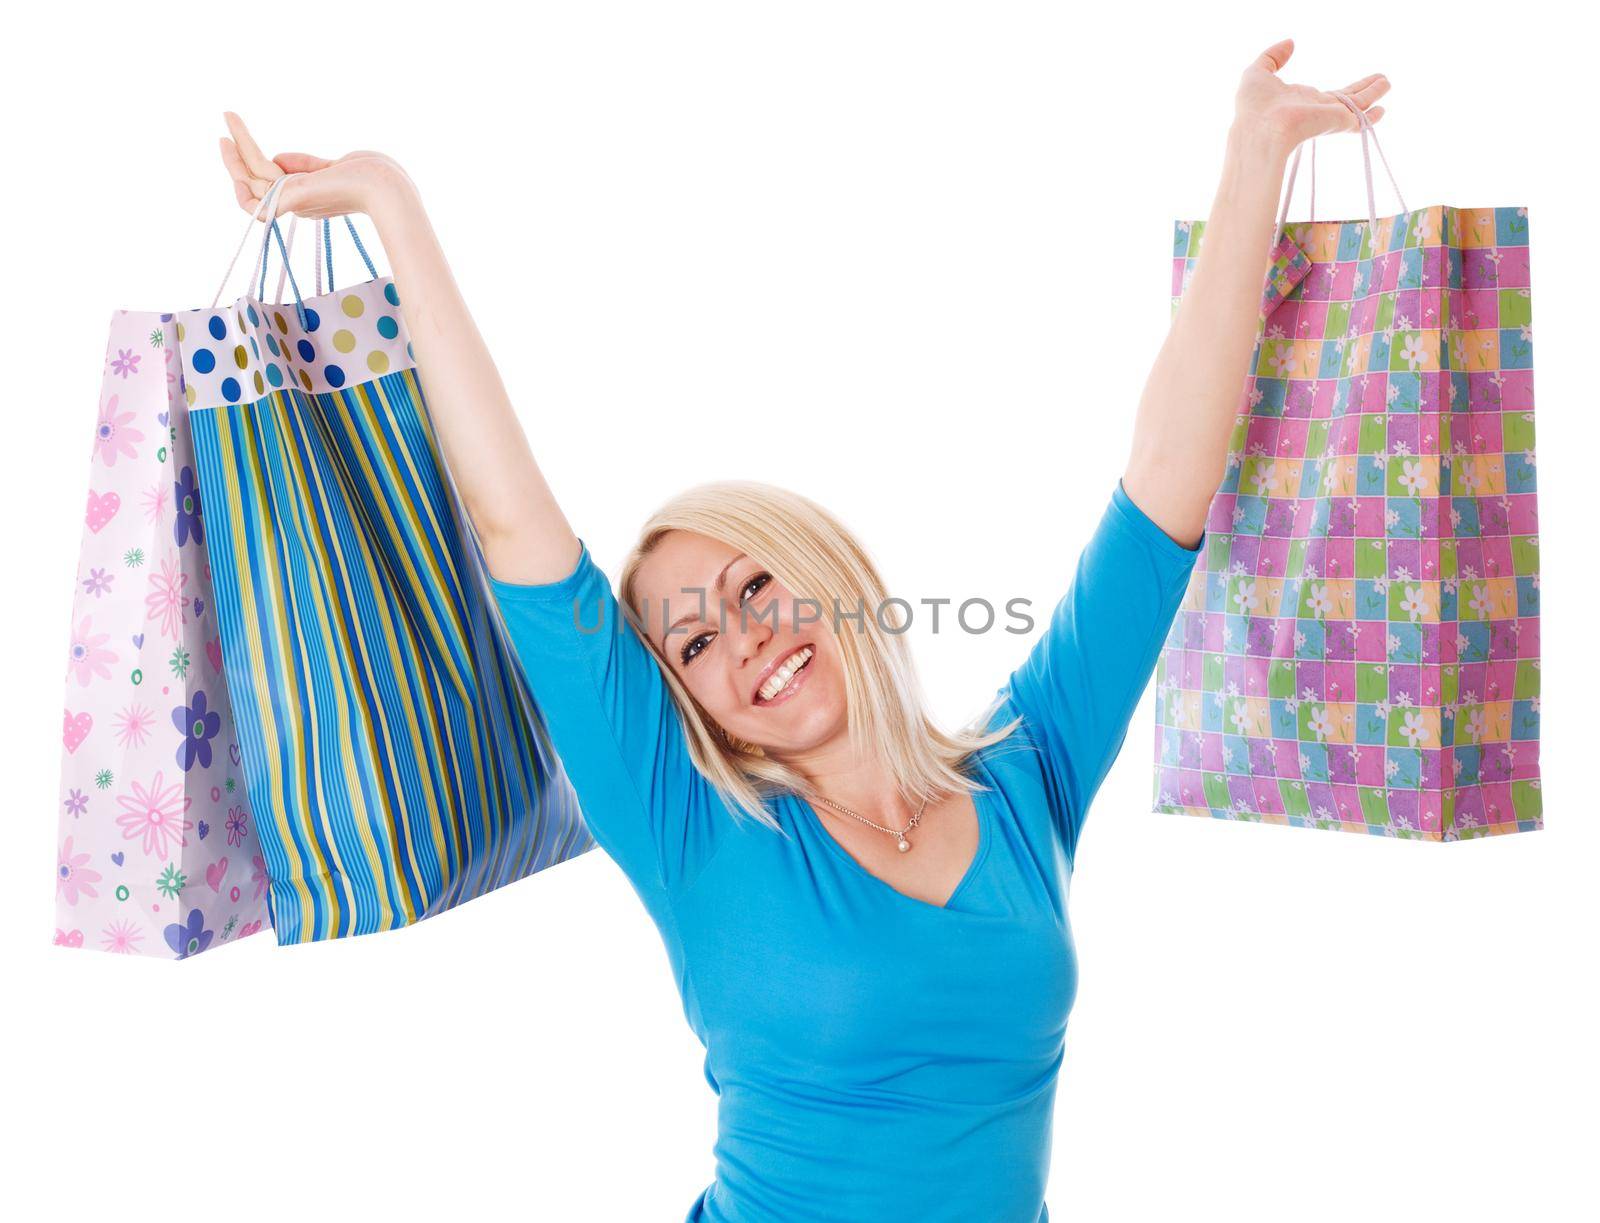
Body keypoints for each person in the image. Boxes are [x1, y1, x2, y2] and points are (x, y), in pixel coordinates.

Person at [220, 38, 1388, 1223]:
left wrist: (1255, 153)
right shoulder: (686, 825)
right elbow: (513, 520)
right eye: (689, 644)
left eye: (756, 587)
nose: (739, 641)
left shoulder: (1026, 773)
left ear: (834, 580)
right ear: (687, 702)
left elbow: (1163, 485)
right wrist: (391, 202)